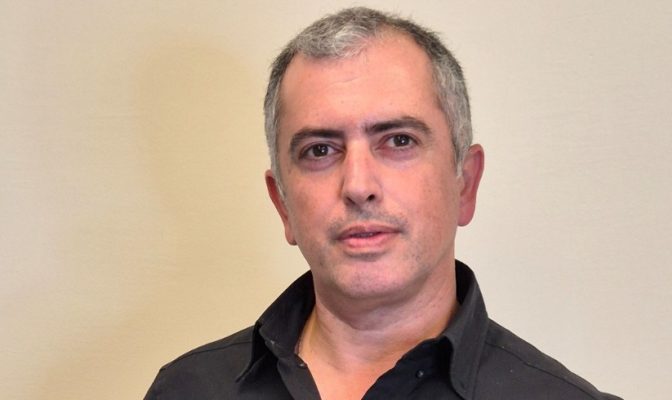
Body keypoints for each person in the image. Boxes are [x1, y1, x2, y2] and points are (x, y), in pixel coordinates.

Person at [144, 7, 621, 400]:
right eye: (320, 150)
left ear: (465, 184)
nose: (358, 185)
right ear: (282, 204)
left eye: (398, 141)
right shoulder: (186, 390)